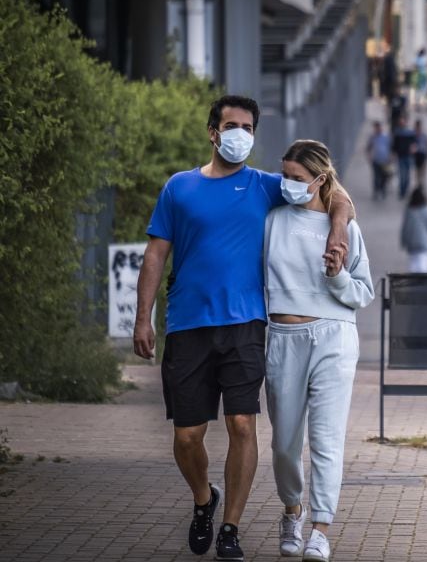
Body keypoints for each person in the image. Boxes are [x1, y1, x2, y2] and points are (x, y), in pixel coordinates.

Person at [133, 95, 354, 561]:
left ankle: (230, 527)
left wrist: (337, 229)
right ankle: (203, 499)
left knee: (242, 425)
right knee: (187, 437)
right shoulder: (179, 187)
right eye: (232, 125)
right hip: (189, 324)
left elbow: (335, 191)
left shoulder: (265, 186)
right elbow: (156, 254)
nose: (241, 135)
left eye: (249, 127)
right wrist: (142, 317)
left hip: (247, 326)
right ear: (213, 132)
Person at [264, 139, 374, 562]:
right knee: (285, 444)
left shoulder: (346, 228)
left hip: (334, 336)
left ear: (320, 179)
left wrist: (337, 276)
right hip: (283, 337)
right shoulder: (272, 221)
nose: (288, 184)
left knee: (327, 440)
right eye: (285, 176)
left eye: (297, 178)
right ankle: (293, 509)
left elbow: (363, 292)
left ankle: (320, 528)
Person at [400, 187, 427, 272]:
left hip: (412, 243)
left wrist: (404, 241)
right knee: (424, 268)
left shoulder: (409, 210)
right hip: (424, 243)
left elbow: (405, 227)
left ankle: (413, 284)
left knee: (413, 266)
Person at [391, 116, 418, 200]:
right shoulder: (397, 133)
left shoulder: (410, 133)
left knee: (407, 175)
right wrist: (393, 154)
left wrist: (414, 148)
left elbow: (415, 143)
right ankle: (402, 191)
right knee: (402, 174)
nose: (402, 123)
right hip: (401, 157)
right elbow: (394, 145)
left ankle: (405, 189)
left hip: (408, 157)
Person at [366, 121, 392, 201]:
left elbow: (391, 147)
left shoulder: (386, 137)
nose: (377, 129)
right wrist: (369, 156)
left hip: (385, 161)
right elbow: (368, 148)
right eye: (376, 128)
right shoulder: (372, 137)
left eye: (379, 127)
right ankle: (376, 191)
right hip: (376, 160)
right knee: (376, 177)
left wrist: (391, 157)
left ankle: (383, 190)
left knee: (384, 176)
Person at [413, 119, 427, 187]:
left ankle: (421, 183)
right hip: (416, 155)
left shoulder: (424, 135)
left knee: (422, 170)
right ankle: (418, 183)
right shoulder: (413, 135)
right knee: (417, 170)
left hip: (423, 154)